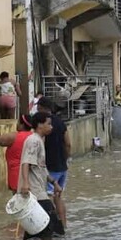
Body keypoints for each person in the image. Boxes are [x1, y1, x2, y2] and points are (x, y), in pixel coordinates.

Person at [17, 112, 65, 240]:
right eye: (48, 123)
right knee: (50, 223)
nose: (51, 127)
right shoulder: (33, 141)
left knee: (35, 224)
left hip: (39, 189)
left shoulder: (39, 140)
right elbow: (26, 163)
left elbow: (42, 168)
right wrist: (25, 184)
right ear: (39, 125)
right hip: (34, 192)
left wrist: (54, 182)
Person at [37, 97, 71, 230]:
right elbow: (68, 144)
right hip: (63, 166)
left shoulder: (43, 126)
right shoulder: (61, 123)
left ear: (44, 109)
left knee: (48, 198)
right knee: (58, 197)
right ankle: (63, 226)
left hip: (50, 167)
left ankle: (49, 228)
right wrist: (65, 159)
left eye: (39, 109)